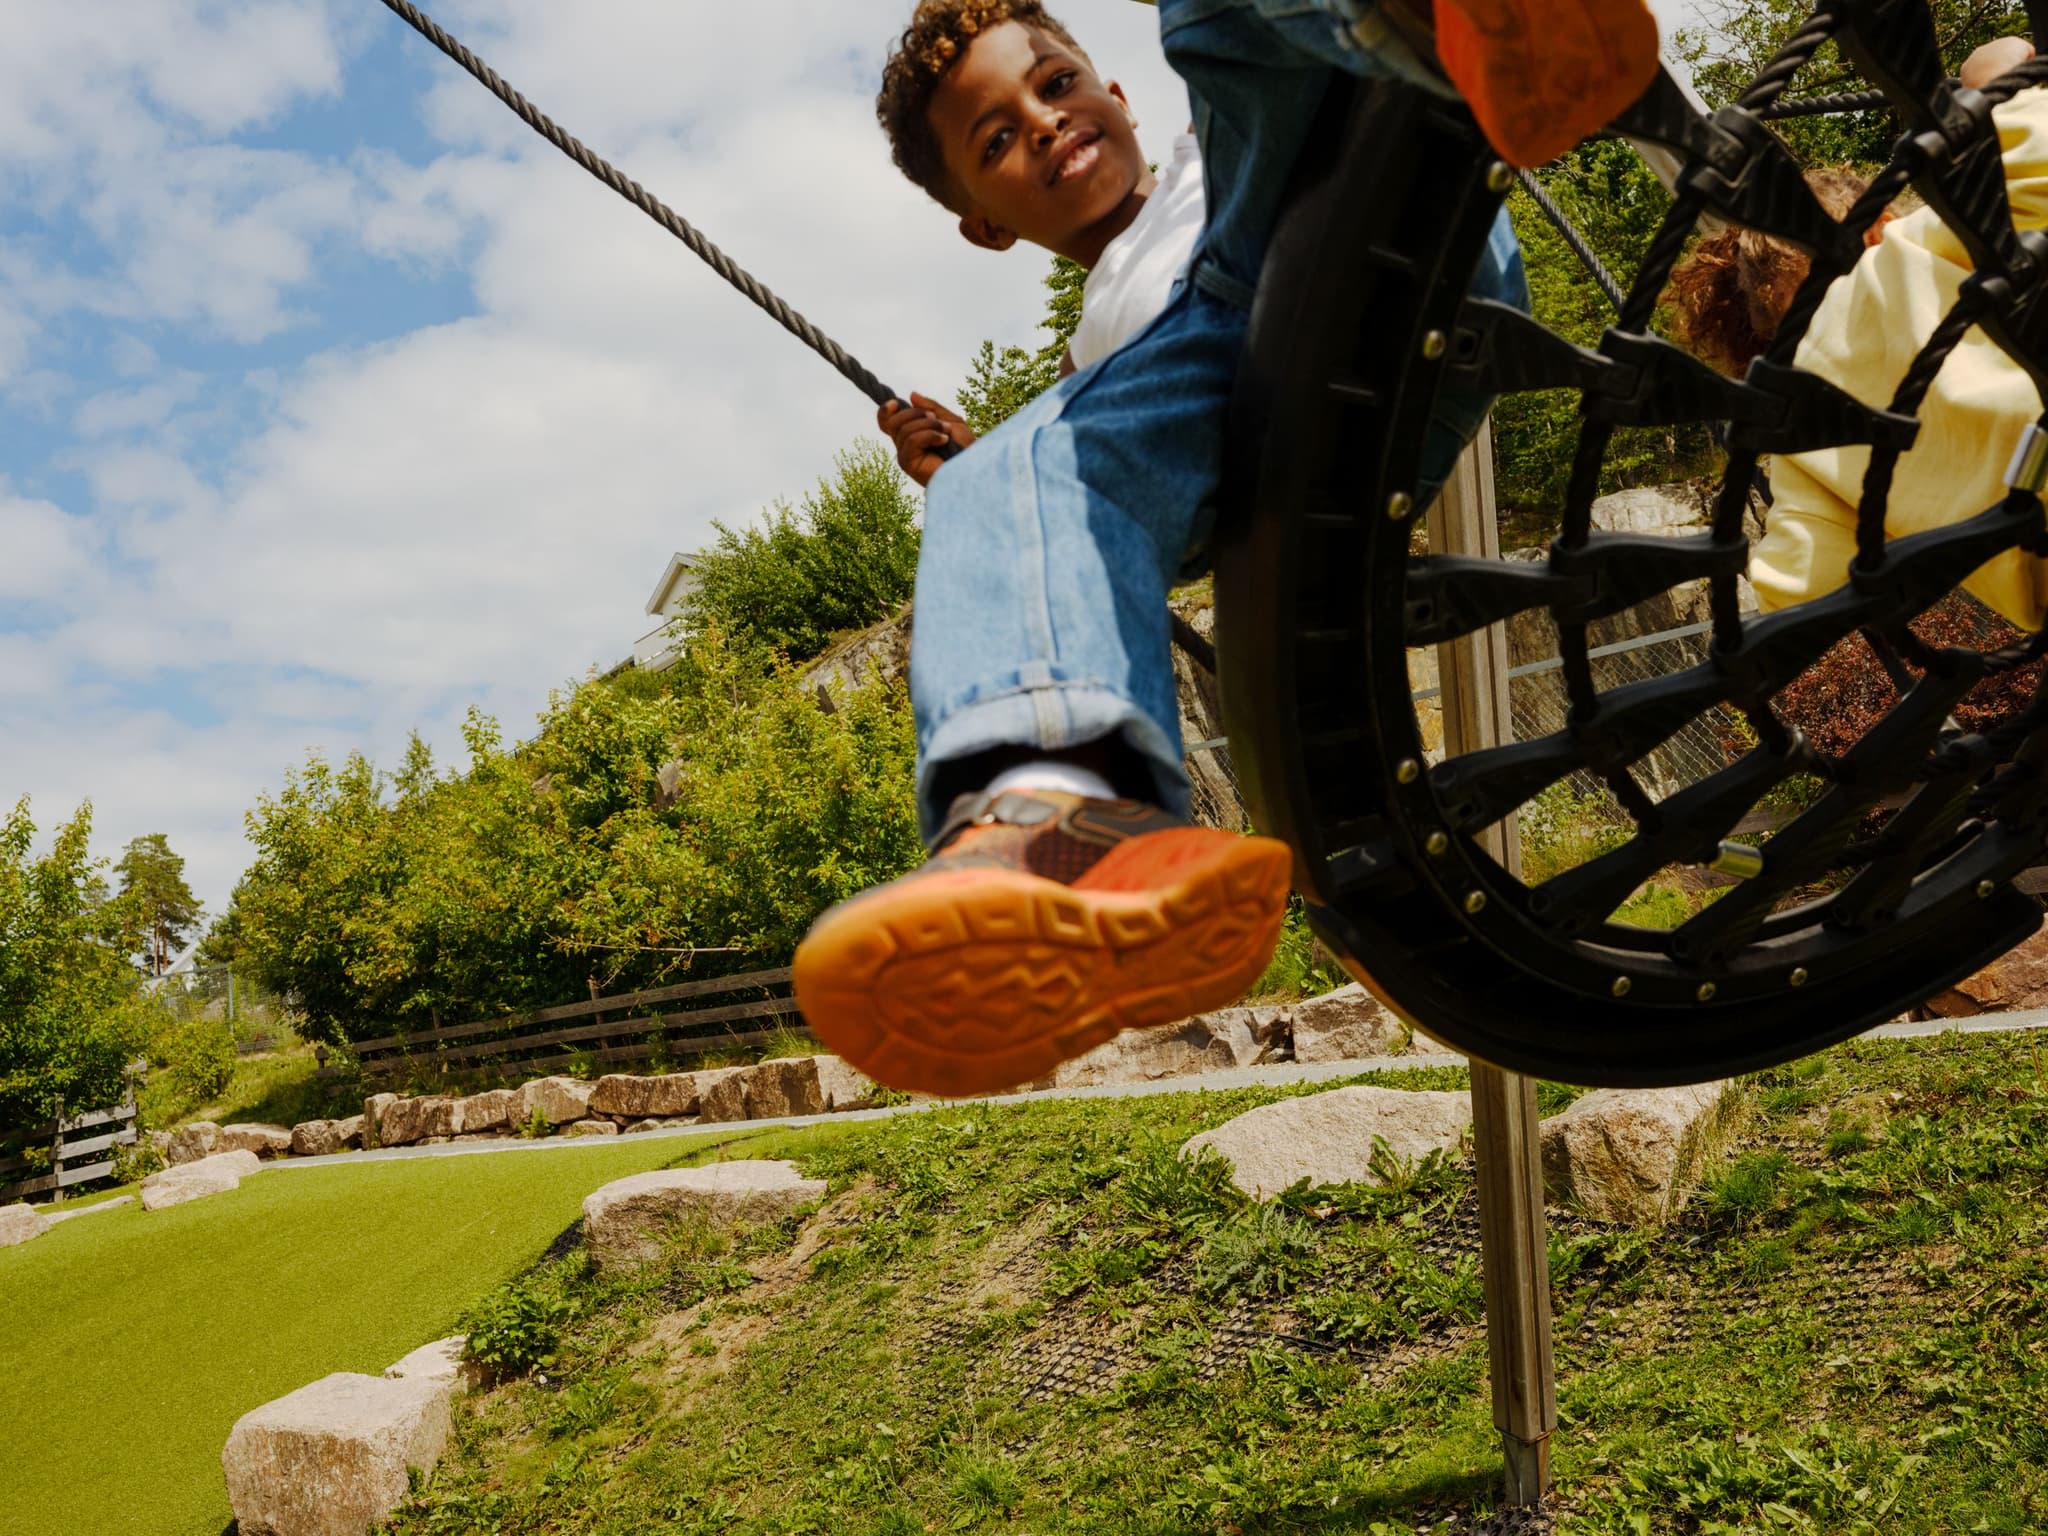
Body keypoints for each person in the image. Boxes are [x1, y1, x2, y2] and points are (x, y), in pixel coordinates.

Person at [792, 0, 1658, 1098]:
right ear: (981, 220)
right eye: (997, 139)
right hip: (1268, 396)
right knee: (1002, 479)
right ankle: (1066, 819)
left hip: (1377, 226)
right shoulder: (1090, 359)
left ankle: (1474, 32)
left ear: (1112, 90)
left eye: (1054, 84)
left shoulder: (1216, 142)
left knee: (1209, 17)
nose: (1044, 123)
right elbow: (1096, 489)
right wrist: (984, 481)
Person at [1666, 35, 2048, 631]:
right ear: (1877, 224)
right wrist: (1988, 87)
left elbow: (1798, 595)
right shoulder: (1916, 246)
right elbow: (2030, 136)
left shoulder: (1802, 437)